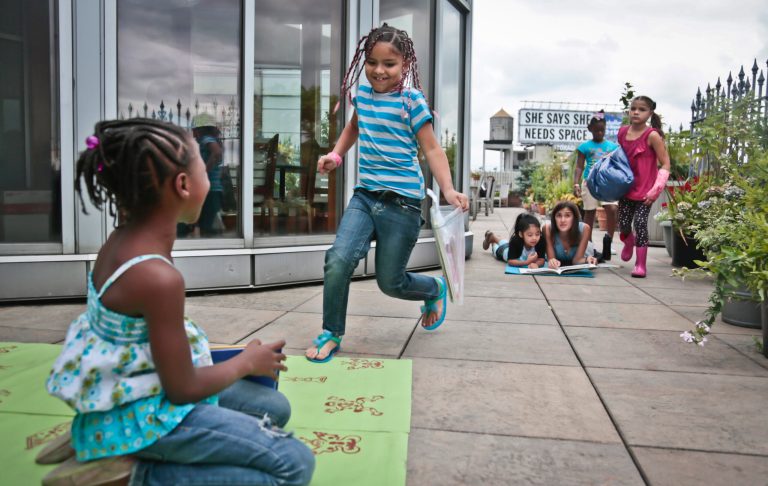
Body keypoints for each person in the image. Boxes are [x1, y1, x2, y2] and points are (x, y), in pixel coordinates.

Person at [44, 119, 314, 485]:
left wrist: (236, 362)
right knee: (295, 464)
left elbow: (137, 347)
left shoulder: (120, 242)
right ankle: (137, 473)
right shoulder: (157, 277)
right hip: (148, 413)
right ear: (183, 185)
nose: (211, 173)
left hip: (134, 388)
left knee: (273, 407)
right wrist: (243, 362)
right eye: (205, 167)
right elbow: (182, 389)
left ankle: (106, 439)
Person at [304, 23, 468, 363]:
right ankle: (331, 332)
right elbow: (353, 128)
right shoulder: (362, 96)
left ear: (404, 65)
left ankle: (432, 289)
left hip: (403, 204)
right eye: (373, 62)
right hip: (365, 197)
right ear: (365, 61)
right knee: (338, 259)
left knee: (390, 283)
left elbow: (433, 149)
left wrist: (448, 189)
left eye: (389, 64)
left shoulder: (412, 102)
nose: (379, 71)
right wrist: (336, 155)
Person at [617, 96, 671, 278]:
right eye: (633, 108)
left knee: (640, 224)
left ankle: (640, 264)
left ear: (650, 113)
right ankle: (628, 241)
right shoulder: (622, 132)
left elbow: (665, 164)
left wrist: (656, 190)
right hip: (626, 188)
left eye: (641, 109)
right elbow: (619, 159)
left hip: (646, 192)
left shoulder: (653, 136)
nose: (636, 112)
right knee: (624, 225)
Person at [573, 110, 619, 260]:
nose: (600, 133)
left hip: (607, 183)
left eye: (602, 130)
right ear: (590, 129)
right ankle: (589, 244)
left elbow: (617, 165)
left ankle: (609, 241)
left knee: (611, 209)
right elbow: (579, 166)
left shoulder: (612, 147)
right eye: (597, 130)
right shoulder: (584, 147)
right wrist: (576, 183)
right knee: (590, 212)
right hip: (589, 182)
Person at [193, 113, 225, 237]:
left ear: (199, 130)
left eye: (193, 129)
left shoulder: (206, 139)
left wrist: (204, 171)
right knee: (210, 221)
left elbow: (216, 153)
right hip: (214, 188)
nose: (192, 133)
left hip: (210, 189)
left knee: (208, 225)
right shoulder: (213, 139)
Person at [543, 200, 599, 269]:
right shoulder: (547, 229)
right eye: (559, 215)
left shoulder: (584, 229)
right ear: (554, 218)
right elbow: (551, 259)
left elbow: (577, 261)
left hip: (586, 252)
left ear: (574, 218)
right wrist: (552, 262)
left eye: (567, 215)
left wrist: (587, 259)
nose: (563, 220)